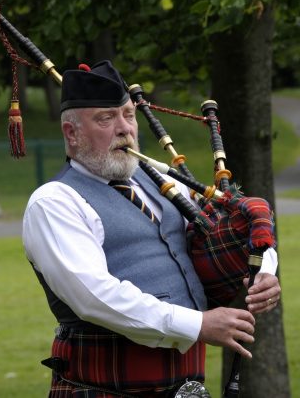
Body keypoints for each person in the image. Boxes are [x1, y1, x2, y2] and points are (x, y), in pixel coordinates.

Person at [22, 60, 281, 398]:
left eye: (128, 115)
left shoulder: (161, 181)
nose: (124, 129)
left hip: (184, 383)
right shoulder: (54, 202)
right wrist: (199, 324)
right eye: (105, 118)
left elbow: (235, 224)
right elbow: (95, 297)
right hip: (102, 387)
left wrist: (265, 269)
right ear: (72, 134)